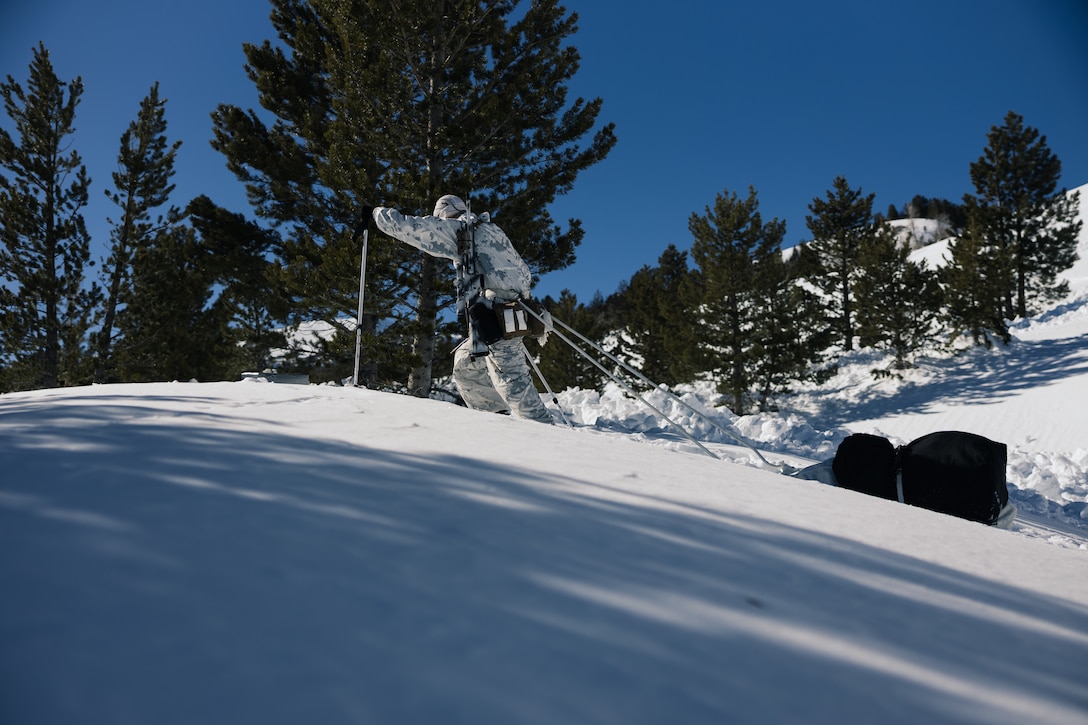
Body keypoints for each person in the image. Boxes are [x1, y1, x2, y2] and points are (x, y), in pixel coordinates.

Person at [359, 195, 553, 424]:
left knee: (512, 381)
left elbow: (413, 228)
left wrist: (375, 214)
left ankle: (544, 429)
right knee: (465, 363)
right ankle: (496, 420)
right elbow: (519, 271)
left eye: (438, 218)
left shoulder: (462, 230)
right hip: (511, 311)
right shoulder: (490, 229)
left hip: (501, 316)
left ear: (445, 214)